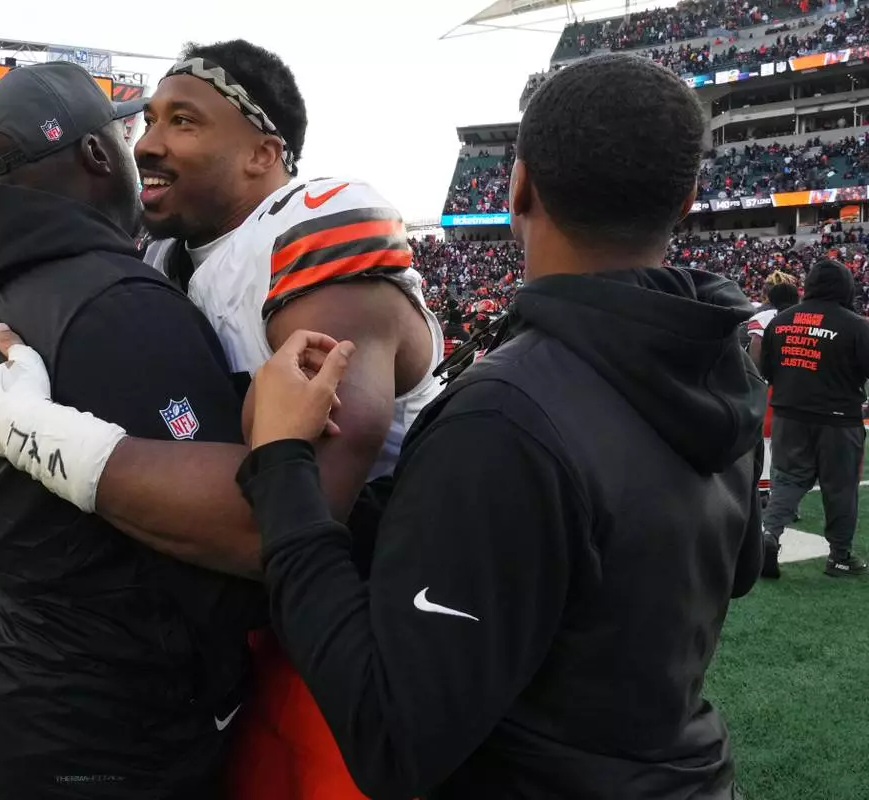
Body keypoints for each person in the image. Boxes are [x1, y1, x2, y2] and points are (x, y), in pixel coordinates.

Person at [232, 54, 765, 798]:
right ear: (687, 202)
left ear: (518, 189)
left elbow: (392, 738)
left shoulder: (506, 415)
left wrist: (284, 461)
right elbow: (734, 571)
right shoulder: (722, 368)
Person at [0, 39, 443, 800]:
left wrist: (23, 430)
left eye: (183, 121)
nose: (147, 143)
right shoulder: (158, 262)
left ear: (263, 153)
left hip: (368, 627)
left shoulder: (313, 226)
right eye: (147, 120)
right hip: (248, 639)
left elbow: (291, 521)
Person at [0, 62, 260, 800]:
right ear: (94, 153)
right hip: (107, 723)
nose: (139, 146)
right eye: (125, 131)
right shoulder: (117, 301)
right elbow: (246, 531)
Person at [759, 259, 869, 579]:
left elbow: (767, 370)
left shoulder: (781, 321)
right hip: (838, 420)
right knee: (840, 488)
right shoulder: (856, 325)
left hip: (788, 415)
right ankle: (839, 558)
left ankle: (769, 535)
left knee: (787, 480)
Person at [746, 272, 800, 508]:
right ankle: (790, 493)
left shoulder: (764, 316)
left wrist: (755, 378)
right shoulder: (805, 315)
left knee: (766, 436)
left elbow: (756, 350)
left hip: (772, 382)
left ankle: (764, 489)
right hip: (800, 381)